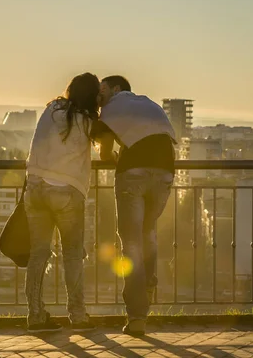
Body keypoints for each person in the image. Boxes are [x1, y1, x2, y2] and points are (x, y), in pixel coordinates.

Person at [94, 75, 176, 337]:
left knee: (130, 243)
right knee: (148, 232)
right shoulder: (148, 103)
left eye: (103, 89)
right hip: (165, 170)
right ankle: (149, 284)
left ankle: (137, 316)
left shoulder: (111, 108)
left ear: (117, 89)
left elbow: (105, 153)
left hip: (133, 173)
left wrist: (113, 156)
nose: (100, 94)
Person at [24, 72, 100, 333]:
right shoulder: (88, 120)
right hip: (67, 190)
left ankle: (35, 316)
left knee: (38, 255)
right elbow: (105, 142)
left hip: (35, 187)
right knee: (72, 255)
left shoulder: (51, 109)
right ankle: (77, 315)